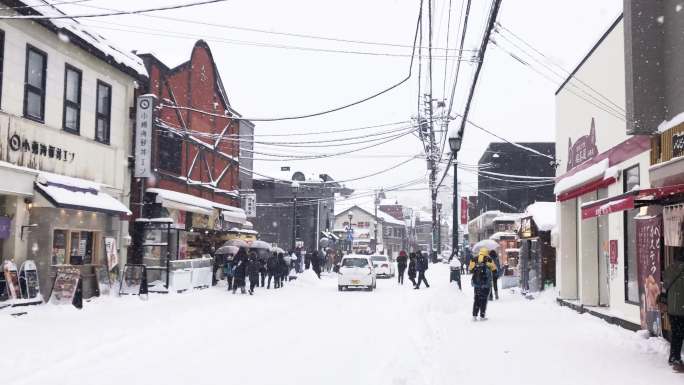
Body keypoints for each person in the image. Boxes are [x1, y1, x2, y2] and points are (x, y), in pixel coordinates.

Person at [663, 250, 684, 367]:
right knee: (678, 334)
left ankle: (674, 356)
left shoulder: (670, 268)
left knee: (676, 333)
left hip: (672, 308)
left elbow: (665, 286)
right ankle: (675, 357)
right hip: (681, 308)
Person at [469, 248, 497, 320]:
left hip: (477, 284)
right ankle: (482, 316)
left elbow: (470, 270)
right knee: (484, 299)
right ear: (486, 252)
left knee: (477, 299)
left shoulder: (474, 259)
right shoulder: (489, 259)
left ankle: (474, 316)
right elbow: (494, 270)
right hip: (486, 284)